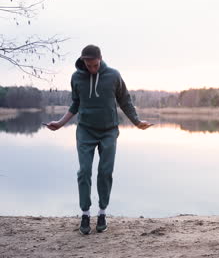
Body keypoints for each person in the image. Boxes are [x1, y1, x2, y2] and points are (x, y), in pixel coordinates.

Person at [45, 45, 153, 235]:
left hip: (109, 131)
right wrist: (61, 123)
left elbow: (125, 100)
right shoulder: (76, 77)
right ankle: (85, 214)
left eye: (95, 65)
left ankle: (102, 212)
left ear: (101, 59)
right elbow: (76, 103)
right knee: (84, 172)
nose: (92, 68)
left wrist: (136, 121)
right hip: (85, 131)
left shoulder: (113, 75)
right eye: (88, 65)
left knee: (105, 171)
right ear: (83, 61)